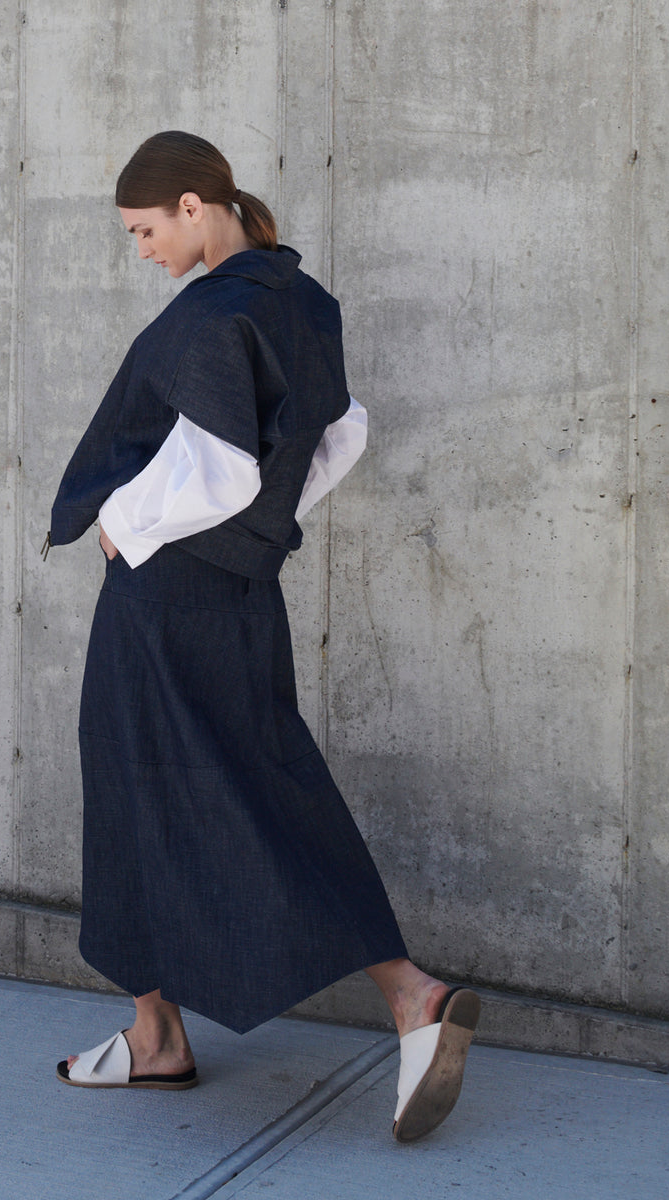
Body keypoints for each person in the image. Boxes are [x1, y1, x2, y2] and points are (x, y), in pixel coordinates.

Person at [45, 131, 479, 1143]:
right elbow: (342, 432)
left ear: (195, 207)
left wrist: (124, 525)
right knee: (266, 783)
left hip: (162, 597)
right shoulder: (300, 299)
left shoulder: (212, 311)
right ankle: (403, 993)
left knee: (133, 786)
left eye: (146, 229)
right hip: (245, 590)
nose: (142, 249)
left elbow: (227, 468)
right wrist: (267, 534)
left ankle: (168, 1039)